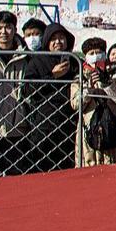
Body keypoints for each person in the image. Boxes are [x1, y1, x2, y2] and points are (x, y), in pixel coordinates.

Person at [22, 22, 79, 172]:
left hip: (70, 123)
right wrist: (53, 75)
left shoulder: (74, 61)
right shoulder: (37, 61)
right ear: (47, 41)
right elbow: (28, 89)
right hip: (44, 124)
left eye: (61, 38)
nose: (58, 42)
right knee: (42, 168)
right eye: (53, 39)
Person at [70, 37, 116, 166]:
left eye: (98, 52)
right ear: (85, 57)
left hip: (114, 126)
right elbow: (75, 104)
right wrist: (88, 90)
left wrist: (106, 83)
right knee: (89, 166)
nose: (95, 56)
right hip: (89, 128)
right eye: (91, 53)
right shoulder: (80, 76)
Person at [0, 11, 30, 176]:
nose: (3, 32)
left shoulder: (27, 56)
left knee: (16, 180)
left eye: (8, 27)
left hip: (18, 127)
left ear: (15, 29)